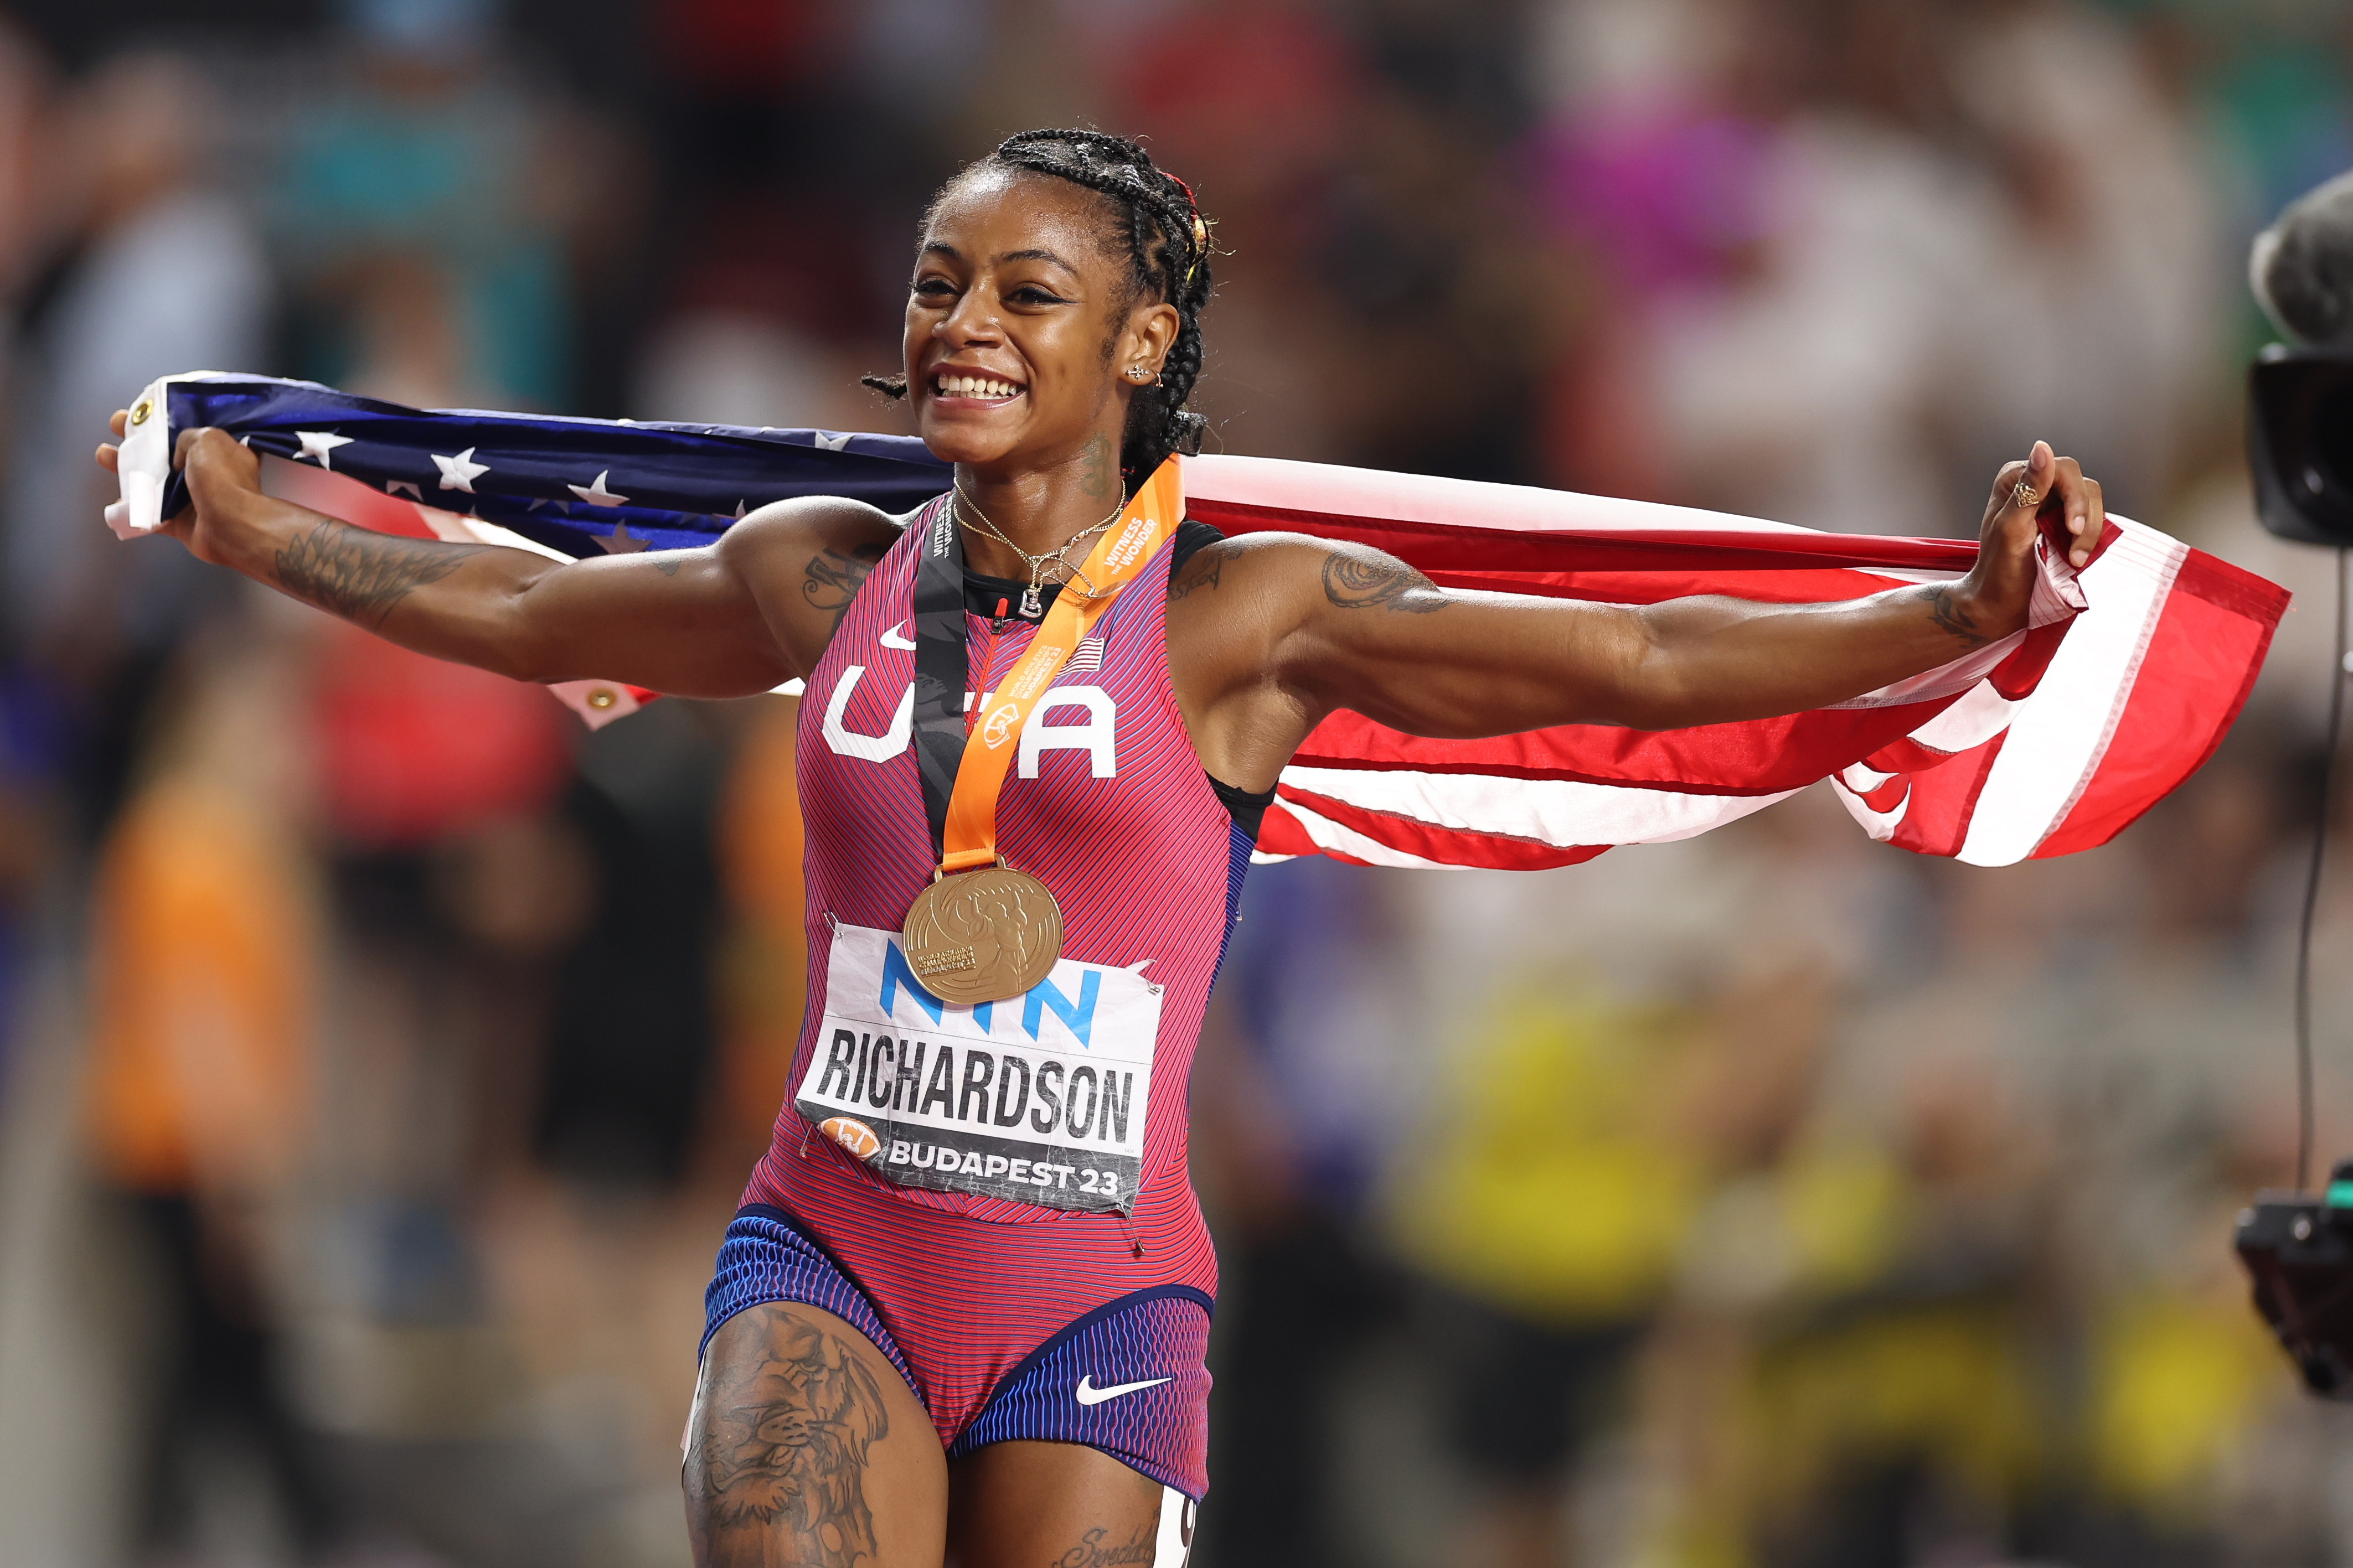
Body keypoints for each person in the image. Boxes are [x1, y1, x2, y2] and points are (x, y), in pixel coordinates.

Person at [97, 128, 2104, 1567]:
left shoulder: (1252, 620)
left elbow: (1641, 649)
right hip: (834, 1243)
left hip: (1095, 1300)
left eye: (1026, 291)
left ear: (1143, 350)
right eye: (939, 282)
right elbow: (532, 616)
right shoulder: (822, 577)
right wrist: (258, 530)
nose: (962, 321)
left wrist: (1949, 619)